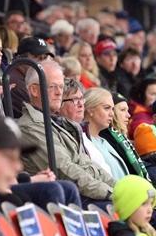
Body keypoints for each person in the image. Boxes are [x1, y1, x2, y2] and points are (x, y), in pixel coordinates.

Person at [18, 60, 115, 203]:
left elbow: (87, 165)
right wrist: (112, 194)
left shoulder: (58, 123)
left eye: (61, 87)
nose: (59, 93)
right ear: (34, 90)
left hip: (85, 195)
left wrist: (118, 188)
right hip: (70, 201)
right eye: (53, 87)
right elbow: (64, 171)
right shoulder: (31, 126)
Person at [100, 92, 150, 180]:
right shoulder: (106, 138)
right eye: (122, 110)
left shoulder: (119, 137)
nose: (128, 115)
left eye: (127, 110)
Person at [84, 87, 129, 180]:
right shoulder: (83, 141)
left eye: (112, 109)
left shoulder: (103, 141)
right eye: (107, 108)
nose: (112, 114)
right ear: (90, 110)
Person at [9, 36, 54, 118]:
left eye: (45, 58)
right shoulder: (15, 81)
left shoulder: (31, 77)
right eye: (38, 58)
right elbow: (41, 112)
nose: (42, 62)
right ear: (21, 58)